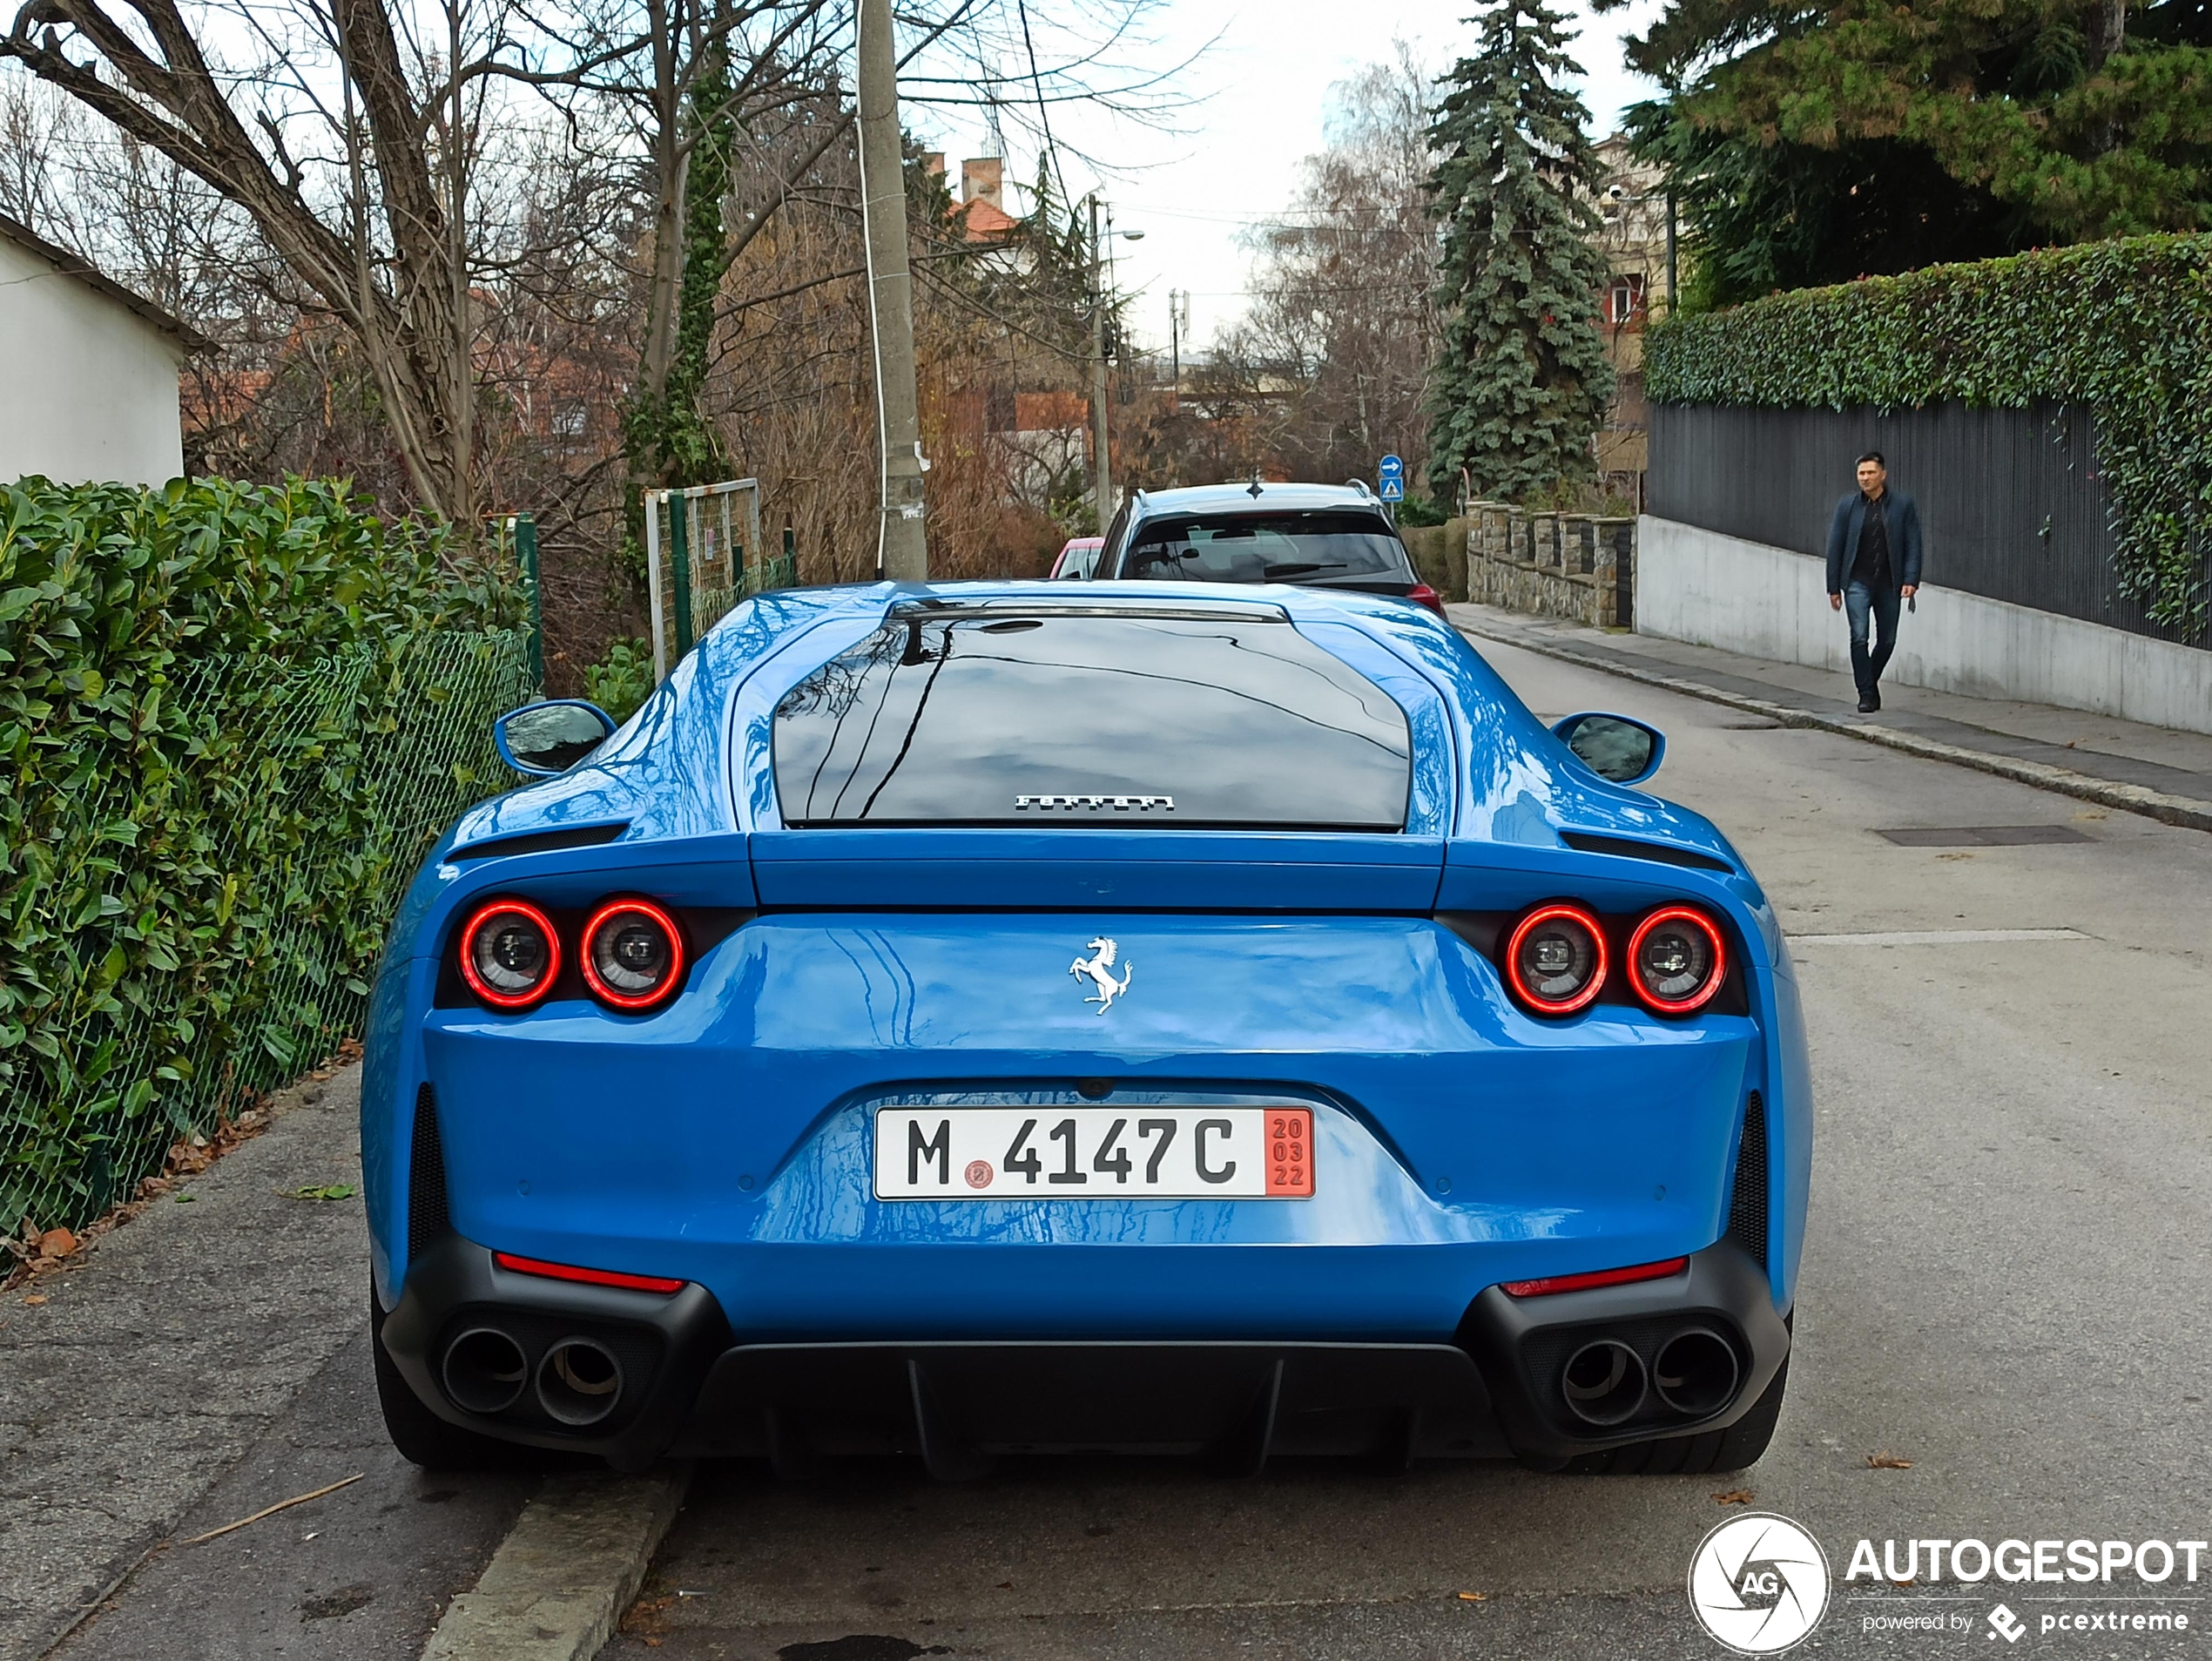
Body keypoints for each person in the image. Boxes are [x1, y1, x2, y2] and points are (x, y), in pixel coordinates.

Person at [1824, 451, 1923, 712]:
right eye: (1861, 473)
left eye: (1870, 473)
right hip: (1857, 581)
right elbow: (1835, 546)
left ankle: (1870, 681)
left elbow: (1913, 543)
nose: (1865, 478)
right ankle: (1866, 694)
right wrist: (1833, 587)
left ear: (1883, 475)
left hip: (1890, 583)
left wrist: (1912, 578)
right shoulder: (1847, 506)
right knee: (1859, 637)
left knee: (1888, 640)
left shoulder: (1903, 505)